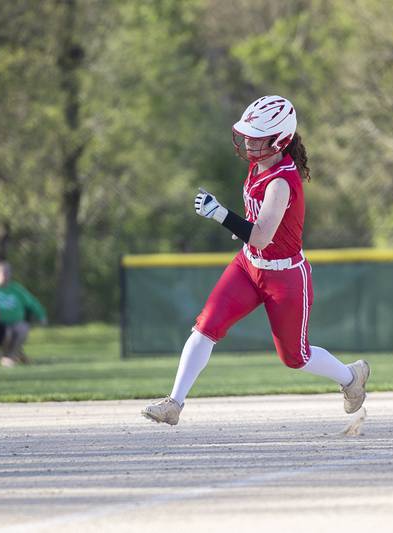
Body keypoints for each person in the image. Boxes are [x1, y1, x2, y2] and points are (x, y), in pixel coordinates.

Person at [142, 95, 370, 425]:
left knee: (296, 357)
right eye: (248, 133)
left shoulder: (281, 180)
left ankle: (351, 379)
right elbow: (258, 228)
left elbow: (262, 235)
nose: (248, 140)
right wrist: (243, 227)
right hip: (250, 266)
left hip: (286, 277)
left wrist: (220, 214)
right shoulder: (258, 166)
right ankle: (174, 404)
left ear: (279, 140)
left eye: (257, 136)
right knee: (206, 327)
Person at [0, 261, 47, 367]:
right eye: (4, 273)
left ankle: (11, 356)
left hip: (15, 321)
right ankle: (6, 356)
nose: (7, 276)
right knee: (7, 333)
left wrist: (41, 315)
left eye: (9, 273)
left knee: (23, 329)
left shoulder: (15, 288)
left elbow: (31, 301)